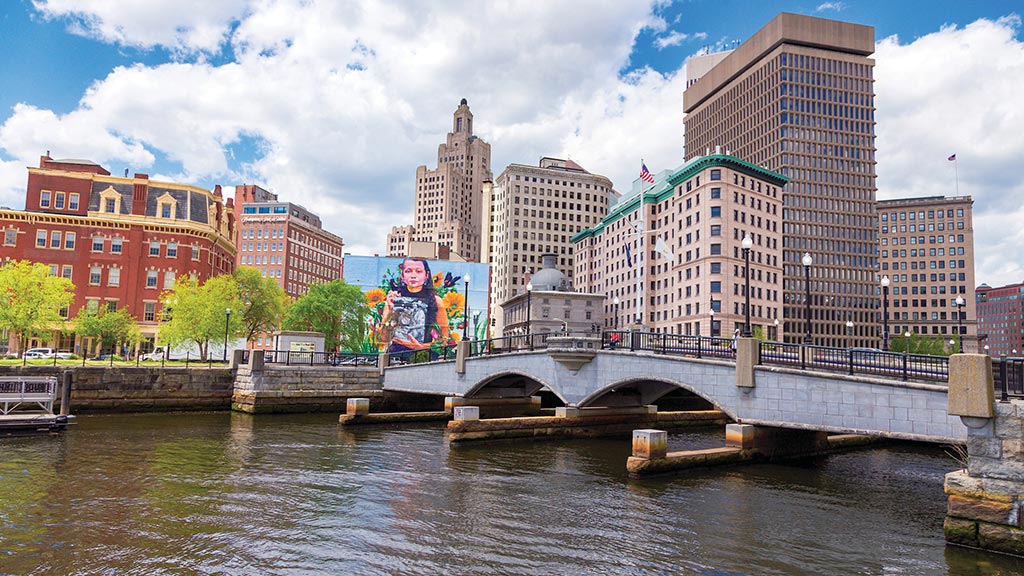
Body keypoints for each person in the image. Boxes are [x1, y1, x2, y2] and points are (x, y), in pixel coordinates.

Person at [379, 258, 450, 357]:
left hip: (424, 357)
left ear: (426, 275)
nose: (413, 275)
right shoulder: (394, 299)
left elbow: (444, 340)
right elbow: (383, 338)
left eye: (418, 271)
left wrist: (420, 347)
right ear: (402, 276)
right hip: (396, 356)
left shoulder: (436, 301)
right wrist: (388, 313)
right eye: (408, 271)